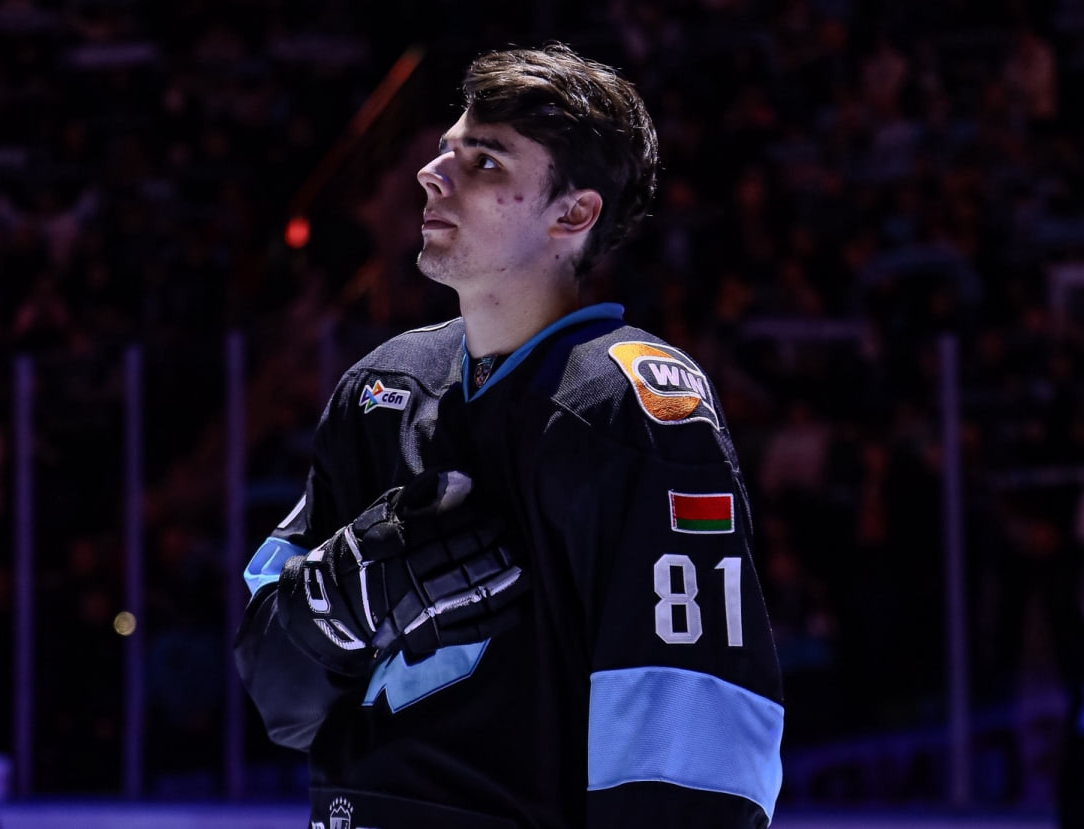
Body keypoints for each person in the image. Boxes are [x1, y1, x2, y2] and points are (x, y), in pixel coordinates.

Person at [234, 42, 785, 828]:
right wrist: (337, 604)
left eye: (485, 161)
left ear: (573, 214)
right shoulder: (381, 388)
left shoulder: (632, 403)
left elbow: (695, 743)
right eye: (446, 150)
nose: (433, 173)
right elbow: (276, 696)